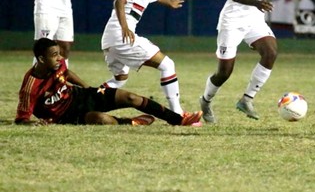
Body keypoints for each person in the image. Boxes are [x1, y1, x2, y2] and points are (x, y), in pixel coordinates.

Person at [15, 38, 202, 126]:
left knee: (130, 97)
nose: (60, 58)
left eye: (59, 54)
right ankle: (129, 122)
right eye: (54, 55)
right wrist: (34, 124)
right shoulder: (30, 87)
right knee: (101, 120)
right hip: (67, 117)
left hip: (81, 96)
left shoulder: (59, 64)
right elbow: (21, 119)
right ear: (40, 59)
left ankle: (177, 120)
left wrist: (88, 88)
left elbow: (68, 72)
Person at [199, 0, 281, 123]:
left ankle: (247, 99)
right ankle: (206, 100)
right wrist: (257, 3)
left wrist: (258, 5)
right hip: (233, 19)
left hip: (254, 18)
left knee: (270, 52)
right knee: (224, 72)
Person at [101, 0, 185, 115]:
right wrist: (125, 28)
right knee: (167, 65)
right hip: (121, 35)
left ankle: (87, 101)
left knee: (119, 80)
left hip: (110, 38)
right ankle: (177, 114)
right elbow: (119, 0)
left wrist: (168, 2)